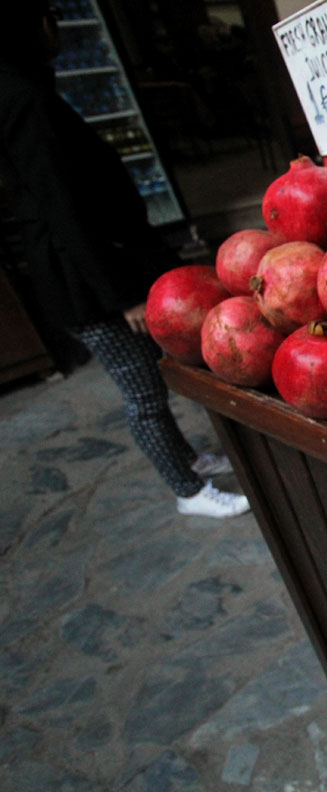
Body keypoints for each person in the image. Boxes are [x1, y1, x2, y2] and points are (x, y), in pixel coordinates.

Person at [0, 2, 250, 519]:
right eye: (46, 16)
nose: (56, 26)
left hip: (93, 268)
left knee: (148, 379)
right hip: (86, 283)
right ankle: (187, 490)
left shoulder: (23, 87)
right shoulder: (22, 97)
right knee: (141, 390)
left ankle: (187, 458)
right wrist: (123, 295)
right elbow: (63, 210)